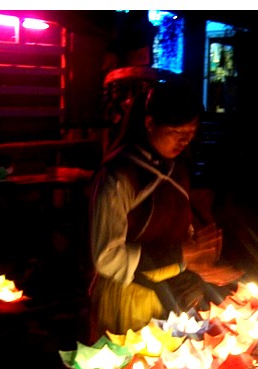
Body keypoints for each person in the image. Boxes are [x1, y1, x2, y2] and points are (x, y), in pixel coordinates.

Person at [88, 79, 243, 341]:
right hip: (130, 299)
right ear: (149, 124)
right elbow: (106, 258)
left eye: (191, 132)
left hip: (172, 294)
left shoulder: (176, 169)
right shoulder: (118, 177)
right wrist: (182, 253)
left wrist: (199, 262)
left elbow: (177, 232)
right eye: (176, 131)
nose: (185, 140)